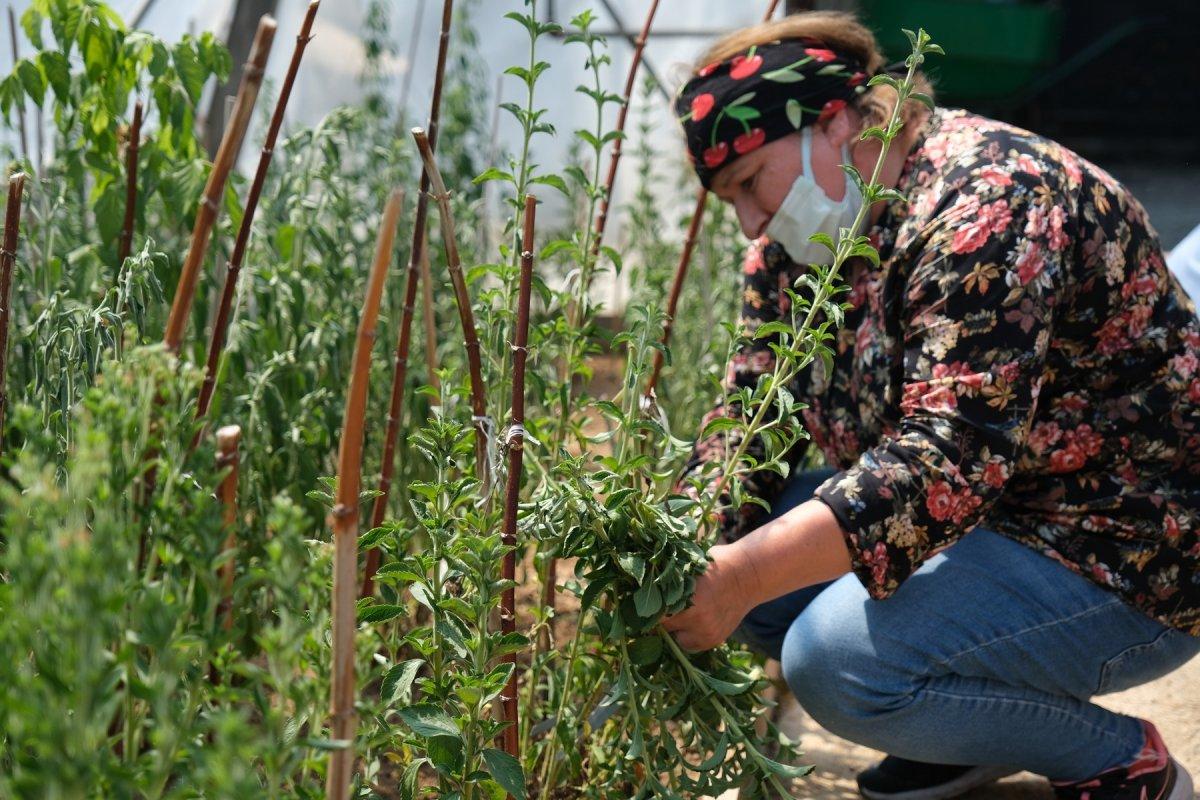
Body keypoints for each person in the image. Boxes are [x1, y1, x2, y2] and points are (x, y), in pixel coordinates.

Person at [659, 11, 1200, 800]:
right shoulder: (803, 241)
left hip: (1125, 546)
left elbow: (947, 458)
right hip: (992, 517)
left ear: (835, 121)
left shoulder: (991, 204)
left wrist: (740, 573)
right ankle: (965, 730)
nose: (749, 221)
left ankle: (1116, 757)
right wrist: (688, 550)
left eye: (748, 183)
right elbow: (754, 404)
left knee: (833, 662)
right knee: (757, 574)